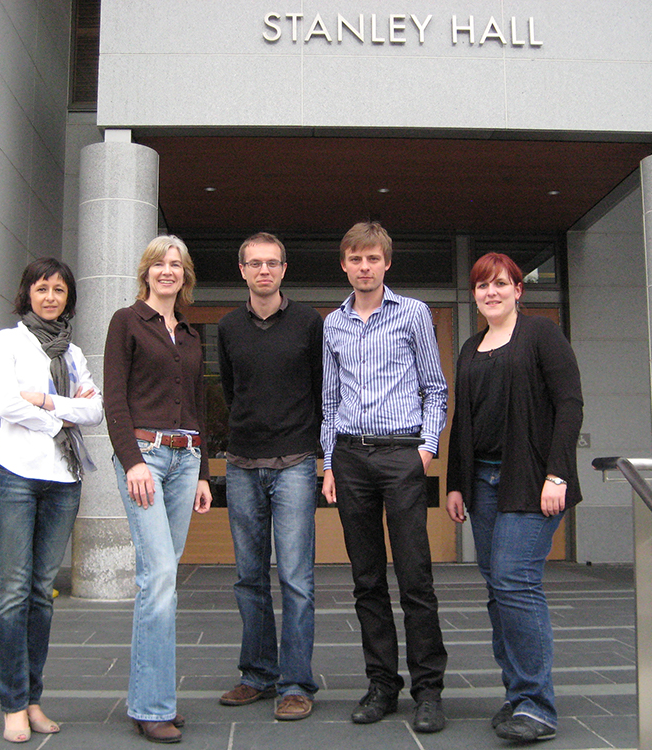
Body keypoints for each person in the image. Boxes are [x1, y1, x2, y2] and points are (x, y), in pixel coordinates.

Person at [445, 252, 583, 743]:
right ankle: (517, 695)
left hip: (532, 479)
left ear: (519, 290)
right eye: (483, 286)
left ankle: (536, 705)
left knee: (514, 579)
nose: (491, 293)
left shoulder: (542, 334)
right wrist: (456, 483)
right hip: (481, 483)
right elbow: (464, 419)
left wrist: (558, 475)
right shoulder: (470, 346)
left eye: (501, 284)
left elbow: (569, 403)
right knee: (498, 587)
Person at [321, 221, 449, 734]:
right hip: (350, 458)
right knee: (366, 579)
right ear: (345, 264)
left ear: (386, 262)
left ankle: (428, 689)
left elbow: (434, 389)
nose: (364, 267)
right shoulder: (332, 323)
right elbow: (329, 401)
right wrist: (329, 461)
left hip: (401, 456)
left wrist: (425, 451)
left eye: (372, 258)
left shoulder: (414, 313)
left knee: (415, 577)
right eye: (355, 259)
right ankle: (381, 685)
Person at [0, 257, 103, 743]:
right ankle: (12, 703)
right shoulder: (7, 342)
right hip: (14, 476)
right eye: (42, 288)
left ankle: (33, 700)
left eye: (59, 289)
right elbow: (5, 403)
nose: (51, 296)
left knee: (41, 595)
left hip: (63, 480)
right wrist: (61, 420)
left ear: (68, 297)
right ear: (26, 293)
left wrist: (48, 401)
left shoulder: (73, 354)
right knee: (13, 594)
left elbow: (95, 410)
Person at [104, 235, 213, 744]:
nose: (167, 271)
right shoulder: (126, 322)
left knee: (163, 582)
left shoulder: (191, 335)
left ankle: (155, 696)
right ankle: (150, 705)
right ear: (145, 272)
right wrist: (131, 462)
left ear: (185, 275)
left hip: (186, 457)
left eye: (176, 264)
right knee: (160, 575)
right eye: (158, 264)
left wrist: (205, 472)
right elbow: (115, 400)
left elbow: (200, 406)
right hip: (145, 458)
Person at [216, 233, 323, 721]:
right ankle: (257, 674)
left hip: (296, 463)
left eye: (272, 263)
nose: (264, 271)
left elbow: (323, 391)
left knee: (296, 578)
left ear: (284, 269)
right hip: (241, 464)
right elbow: (232, 390)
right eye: (254, 263)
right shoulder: (227, 327)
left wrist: (321, 456)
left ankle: (296, 682)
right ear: (242, 270)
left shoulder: (308, 323)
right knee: (249, 578)